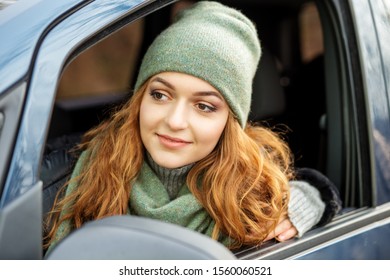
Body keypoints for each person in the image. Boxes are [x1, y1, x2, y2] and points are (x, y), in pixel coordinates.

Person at [44, 1, 341, 252]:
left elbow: (309, 185)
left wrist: (306, 201)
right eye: (160, 95)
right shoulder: (68, 177)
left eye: (204, 106)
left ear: (230, 122)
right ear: (139, 99)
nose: (174, 121)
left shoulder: (253, 194)